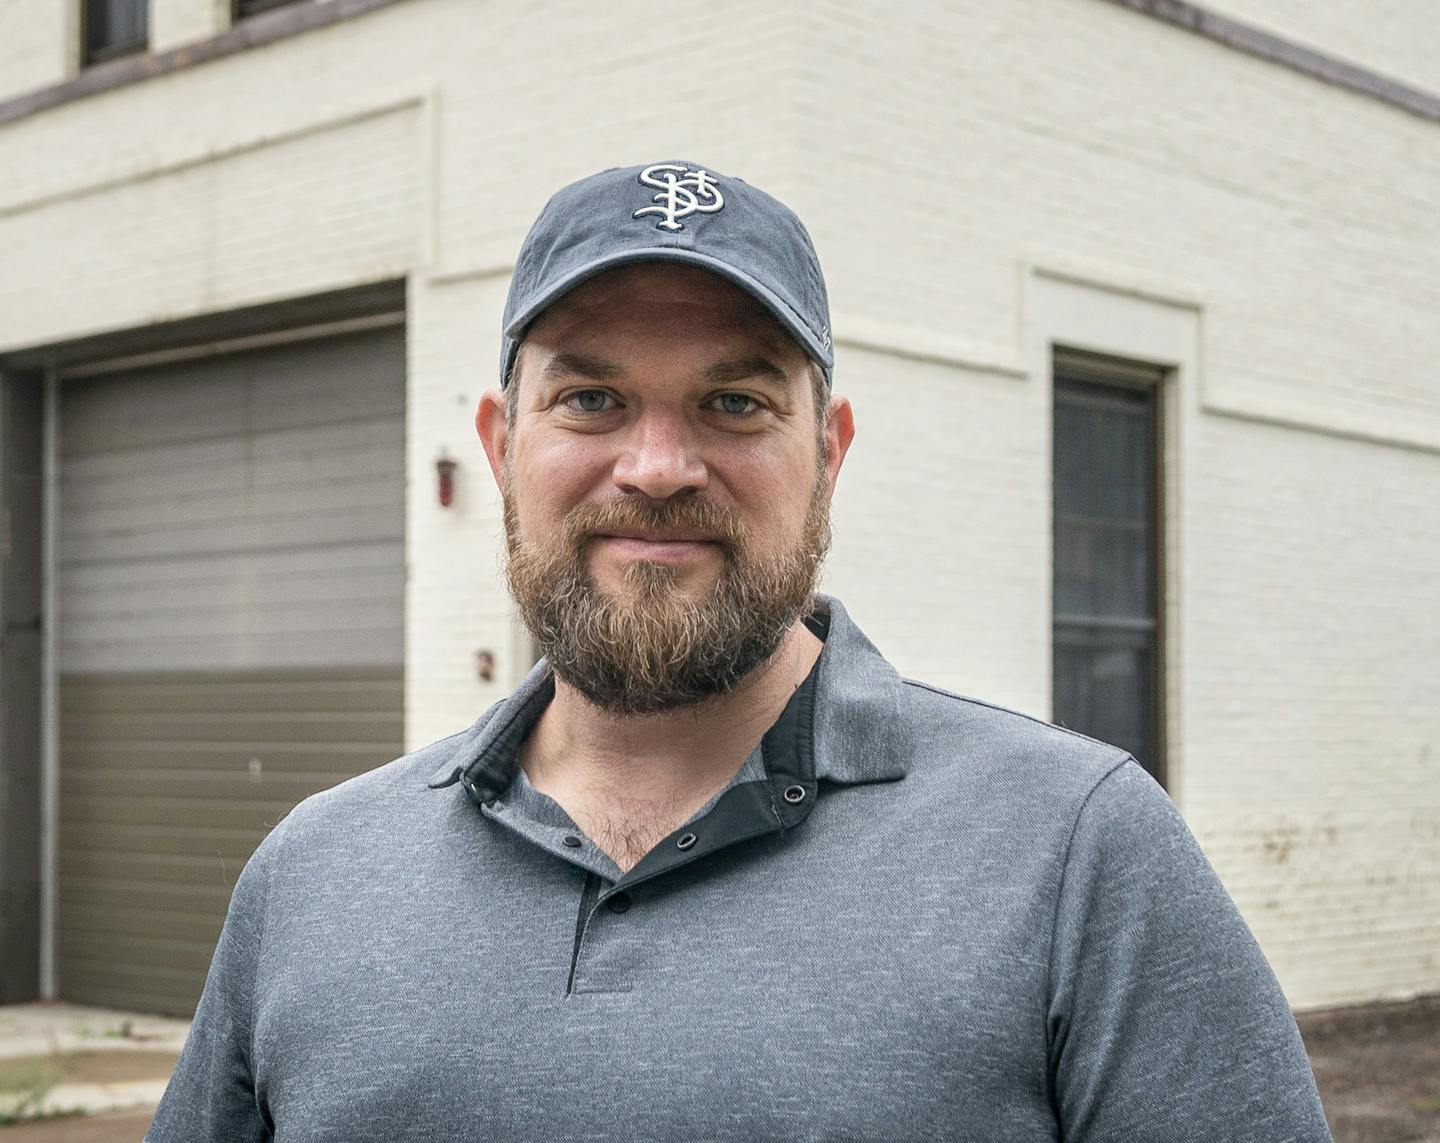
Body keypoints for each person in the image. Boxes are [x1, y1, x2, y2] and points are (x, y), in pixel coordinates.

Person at [147, 161, 1333, 1142]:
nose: (658, 465)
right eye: (593, 400)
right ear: (501, 446)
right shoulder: (313, 874)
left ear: (831, 450)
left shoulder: (1080, 851)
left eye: (736, 403)